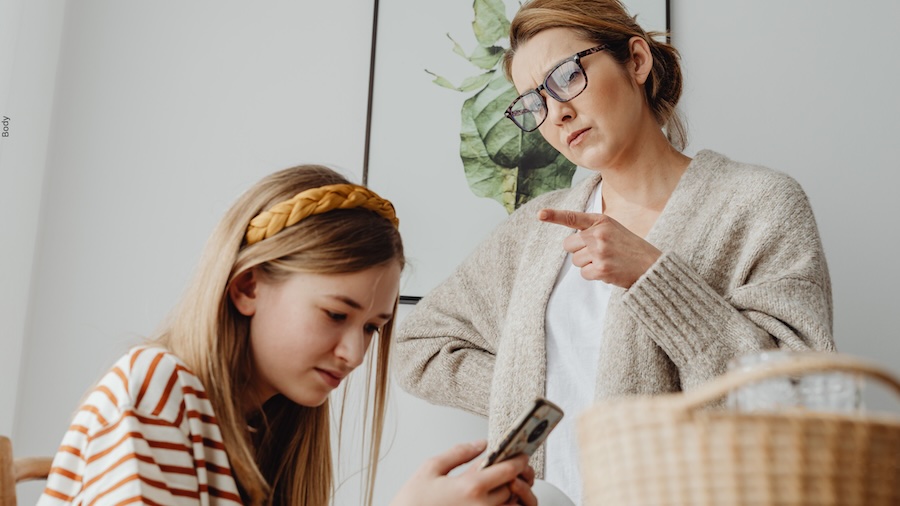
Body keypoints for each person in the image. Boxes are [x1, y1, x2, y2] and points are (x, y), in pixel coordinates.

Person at [393, 0, 835, 504]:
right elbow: (419, 347)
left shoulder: (759, 205)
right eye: (533, 103)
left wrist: (655, 276)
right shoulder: (534, 231)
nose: (556, 112)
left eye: (565, 76)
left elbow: (803, 397)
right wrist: (530, 389)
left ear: (637, 61)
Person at [38, 165, 537, 505]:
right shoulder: (156, 386)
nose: (355, 353)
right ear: (247, 287)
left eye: (371, 328)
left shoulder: (269, 437)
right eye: (334, 315)